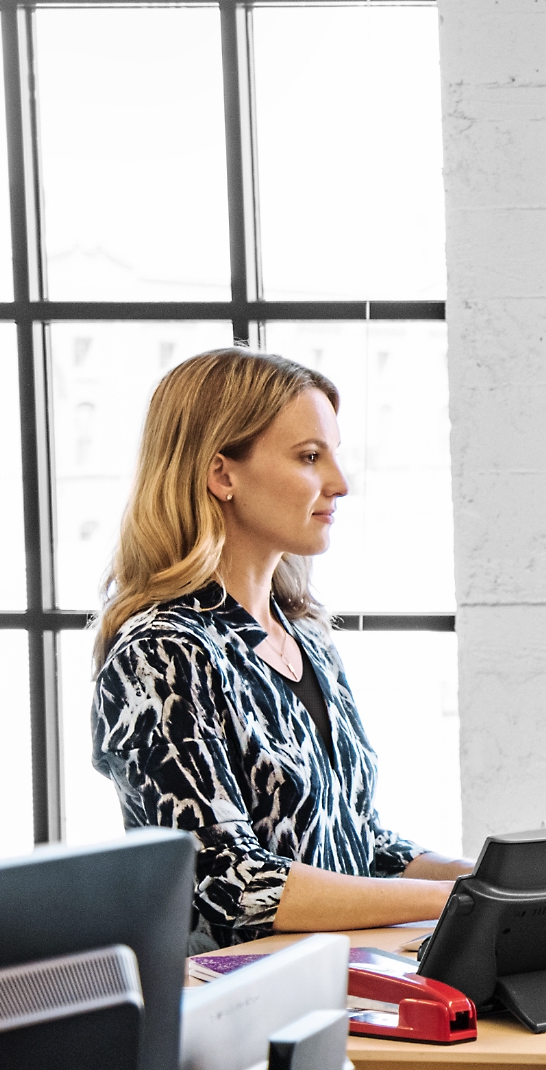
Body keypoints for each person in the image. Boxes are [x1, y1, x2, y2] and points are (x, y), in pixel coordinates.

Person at [91, 347, 471, 949]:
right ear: (222, 474)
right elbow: (230, 884)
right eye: (310, 457)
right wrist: (453, 902)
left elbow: (358, 842)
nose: (339, 484)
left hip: (341, 984)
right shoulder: (161, 654)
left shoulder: (309, 642)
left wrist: (491, 883)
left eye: (333, 457)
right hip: (236, 1009)